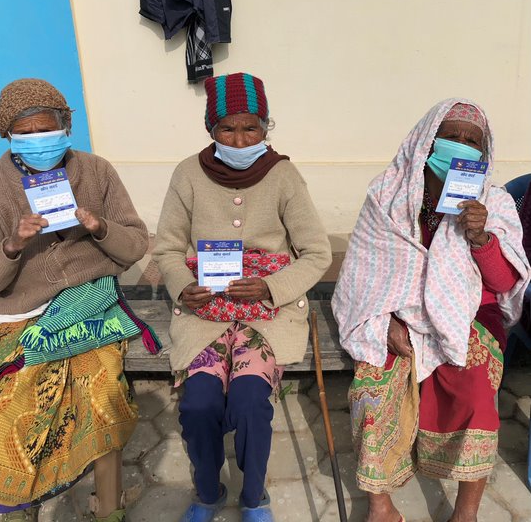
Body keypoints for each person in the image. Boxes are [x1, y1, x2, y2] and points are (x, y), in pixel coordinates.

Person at [0, 78, 158, 522]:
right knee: (6, 400)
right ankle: (19, 505)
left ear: (67, 127)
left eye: (47, 131)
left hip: (92, 305)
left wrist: (99, 227)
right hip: (21, 312)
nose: (38, 141)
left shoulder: (96, 171)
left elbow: (134, 245)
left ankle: (108, 505)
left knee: (100, 391)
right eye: (25, 134)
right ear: (7, 134)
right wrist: (11, 245)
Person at [332, 99, 530, 522]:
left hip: (471, 313)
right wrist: (382, 324)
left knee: (475, 383)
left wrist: (481, 239)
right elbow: (362, 273)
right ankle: (381, 506)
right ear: (428, 141)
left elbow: (505, 286)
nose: (461, 146)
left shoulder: (493, 203)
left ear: (483, 151)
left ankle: (466, 512)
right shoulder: (388, 194)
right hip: (396, 311)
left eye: (471, 141)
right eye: (451, 137)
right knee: (373, 384)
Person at [153, 72, 332, 522]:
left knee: (251, 400)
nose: (238, 138)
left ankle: (254, 496)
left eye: (250, 127)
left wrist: (273, 288)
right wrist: (181, 285)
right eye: (227, 127)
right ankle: (208, 492)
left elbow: (316, 253)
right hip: (205, 311)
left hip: (268, 314)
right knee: (199, 403)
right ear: (210, 128)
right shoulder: (187, 173)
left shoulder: (284, 175)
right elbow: (168, 248)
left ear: (265, 127)